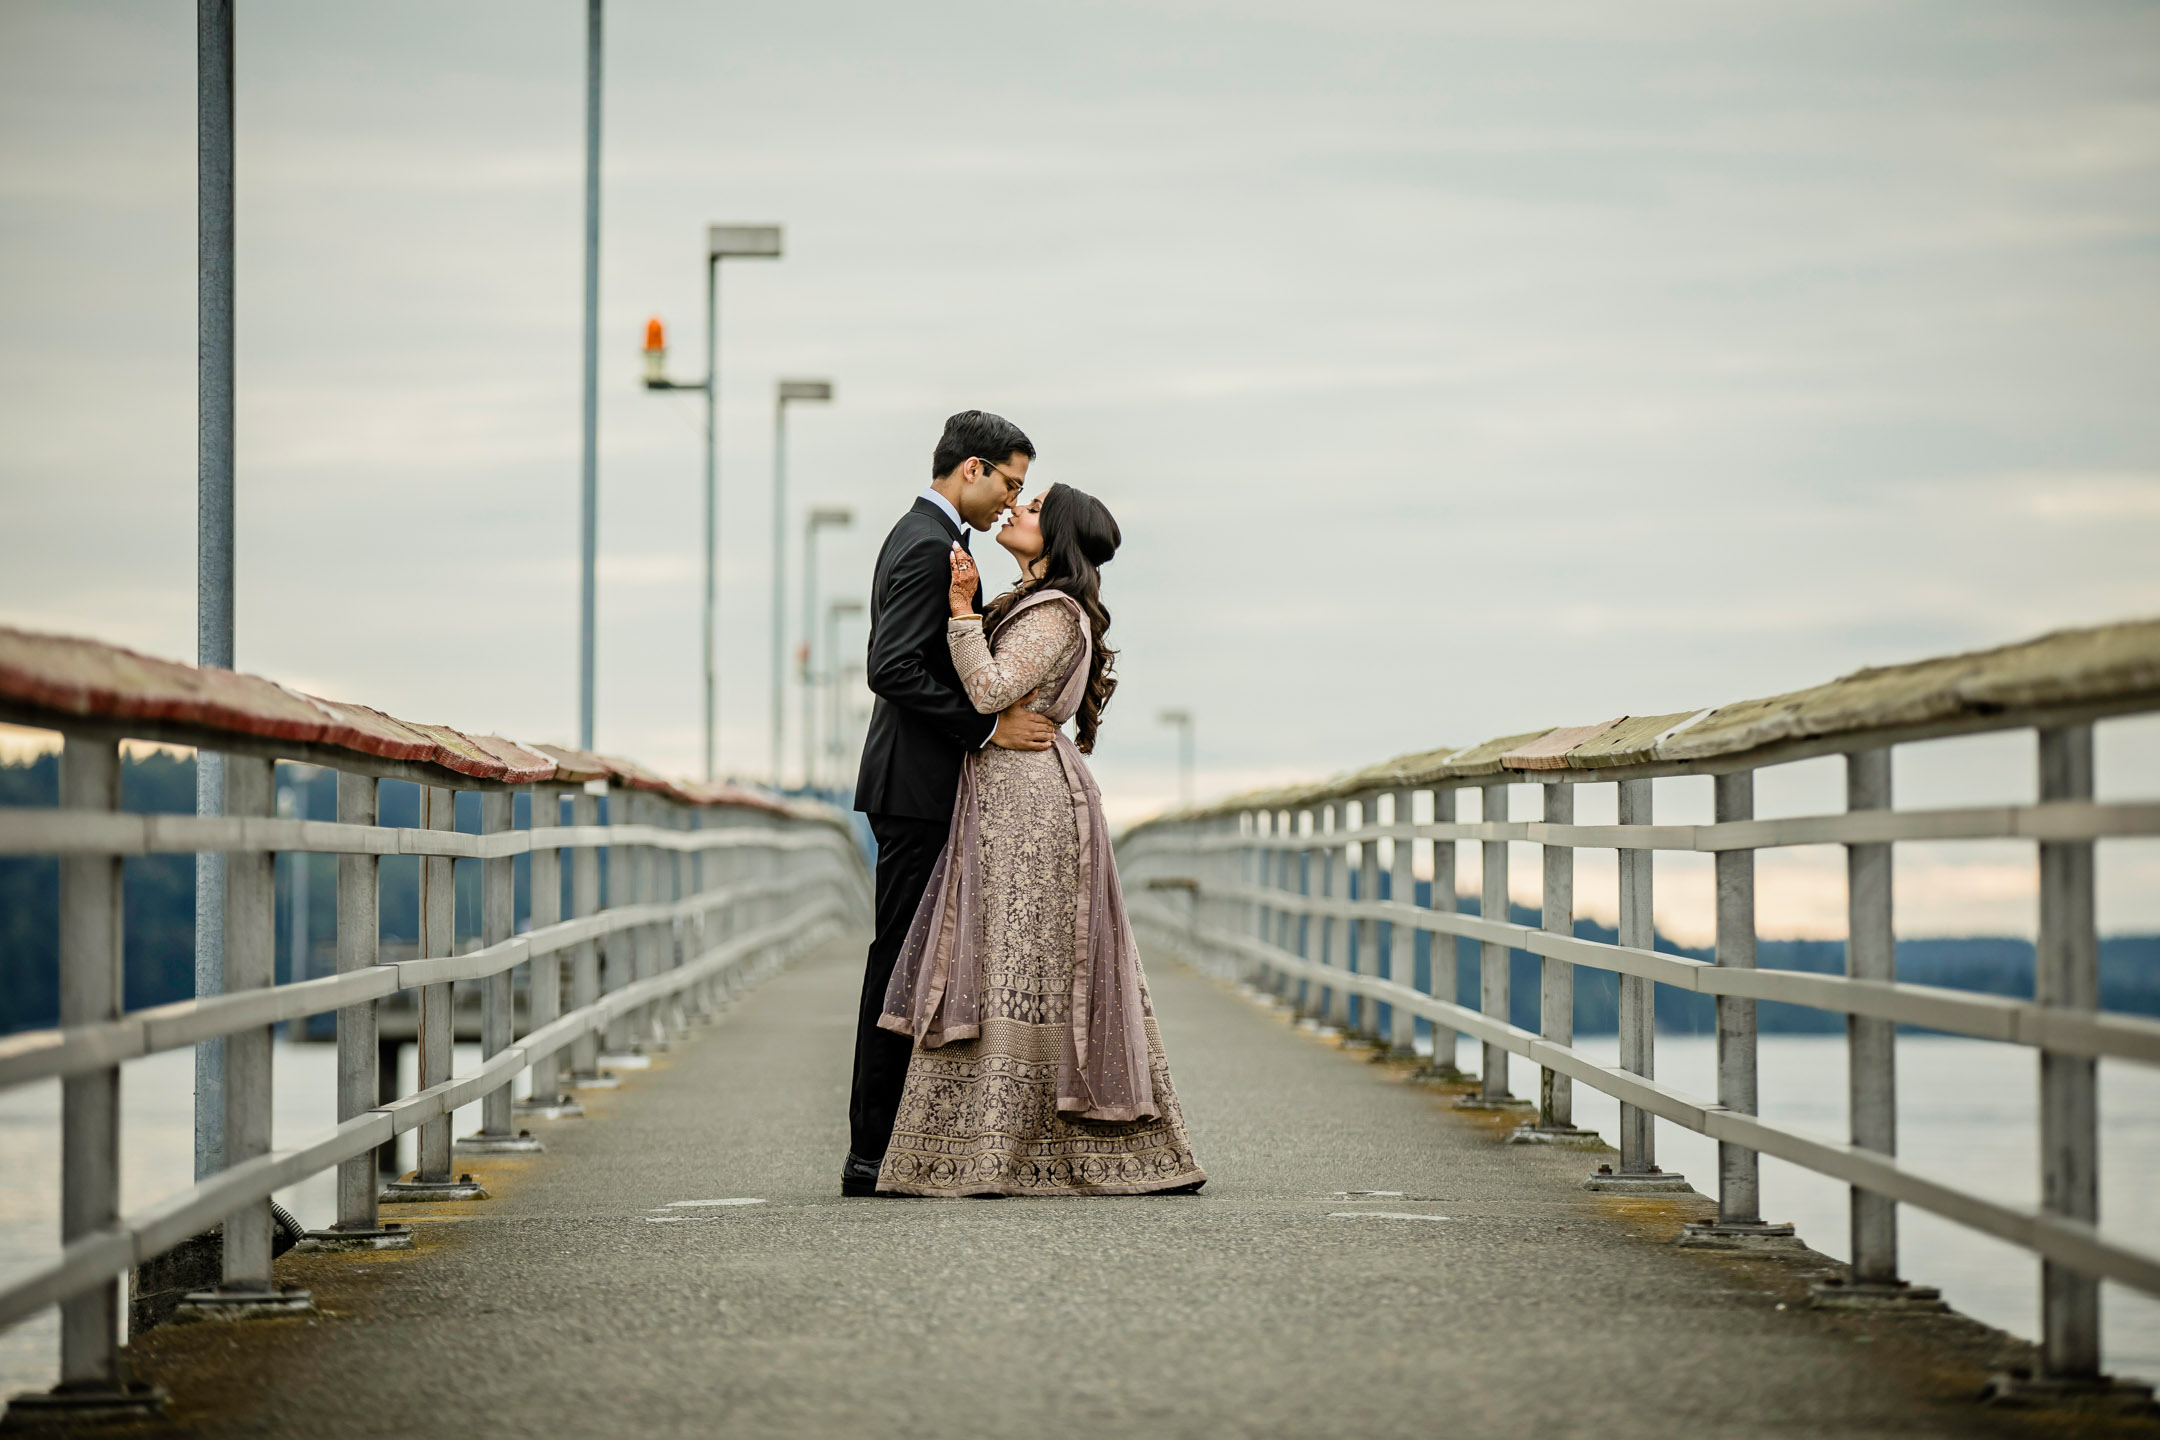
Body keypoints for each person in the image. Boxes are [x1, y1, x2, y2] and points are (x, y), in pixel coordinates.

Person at [874, 480, 1206, 1197]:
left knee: (1019, 964)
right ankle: (999, 1144)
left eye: (1030, 508)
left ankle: (1019, 1147)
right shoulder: (1033, 604)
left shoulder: (1054, 614)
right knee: (1013, 964)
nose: (1014, 511)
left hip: (1030, 806)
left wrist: (961, 613)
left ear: (1053, 538)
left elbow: (992, 691)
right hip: (1008, 796)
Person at [844, 411, 1056, 1197]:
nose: (1010, 502)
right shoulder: (930, 544)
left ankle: (888, 1146)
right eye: (1009, 482)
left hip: (918, 784)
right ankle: (870, 1152)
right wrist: (986, 726)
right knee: (898, 967)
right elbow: (891, 666)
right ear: (971, 469)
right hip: (916, 786)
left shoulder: (931, 540)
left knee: (907, 966)